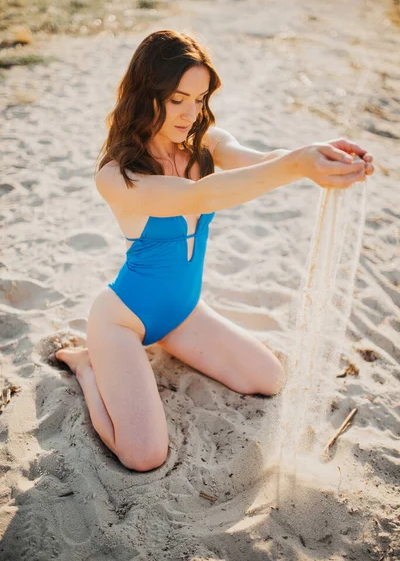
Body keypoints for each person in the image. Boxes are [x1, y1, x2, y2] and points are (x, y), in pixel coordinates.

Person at [55, 30, 374, 472]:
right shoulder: (118, 175)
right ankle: (87, 366)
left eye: (200, 99)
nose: (191, 113)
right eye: (177, 99)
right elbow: (200, 196)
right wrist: (297, 164)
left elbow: (260, 159)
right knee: (145, 455)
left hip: (183, 313)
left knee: (269, 377)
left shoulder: (205, 143)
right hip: (122, 320)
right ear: (147, 93)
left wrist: (320, 156)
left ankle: (161, 343)